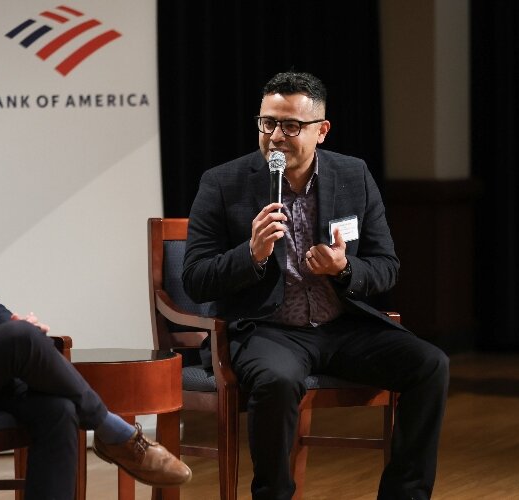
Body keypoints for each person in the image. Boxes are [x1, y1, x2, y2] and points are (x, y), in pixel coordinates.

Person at [183, 71, 449, 500]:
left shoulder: (353, 175)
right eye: (267, 123)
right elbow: (195, 278)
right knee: (277, 380)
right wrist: (250, 254)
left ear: (321, 130)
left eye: (291, 126)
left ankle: (406, 494)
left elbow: (386, 267)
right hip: (267, 329)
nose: (275, 137)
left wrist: (345, 269)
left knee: (430, 364)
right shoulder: (223, 183)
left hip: (340, 326)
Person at [0, 101, 191, 499]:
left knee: (59, 410)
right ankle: (113, 430)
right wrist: (4, 332)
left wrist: (7, 319)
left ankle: (103, 426)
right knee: (20, 339)